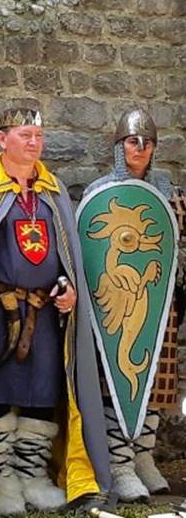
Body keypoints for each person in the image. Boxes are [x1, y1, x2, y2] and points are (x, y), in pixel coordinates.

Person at [0, 108, 112, 514]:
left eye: (37, 134)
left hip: (45, 311)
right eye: (24, 134)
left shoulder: (53, 191)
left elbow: (67, 253)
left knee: (42, 388)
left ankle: (32, 475)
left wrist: (69, 288)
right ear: (3, 140)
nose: (33, 142)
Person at [83, 108, 185, 502]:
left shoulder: (171, 194)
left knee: (157, 384)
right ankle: (120, 463)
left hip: (162, 307)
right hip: (117, 306)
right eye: (132, 141)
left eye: (146, 143)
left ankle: (144, 458)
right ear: (118, 146)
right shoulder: (101, 194)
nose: (139, 148)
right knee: (117, 379)